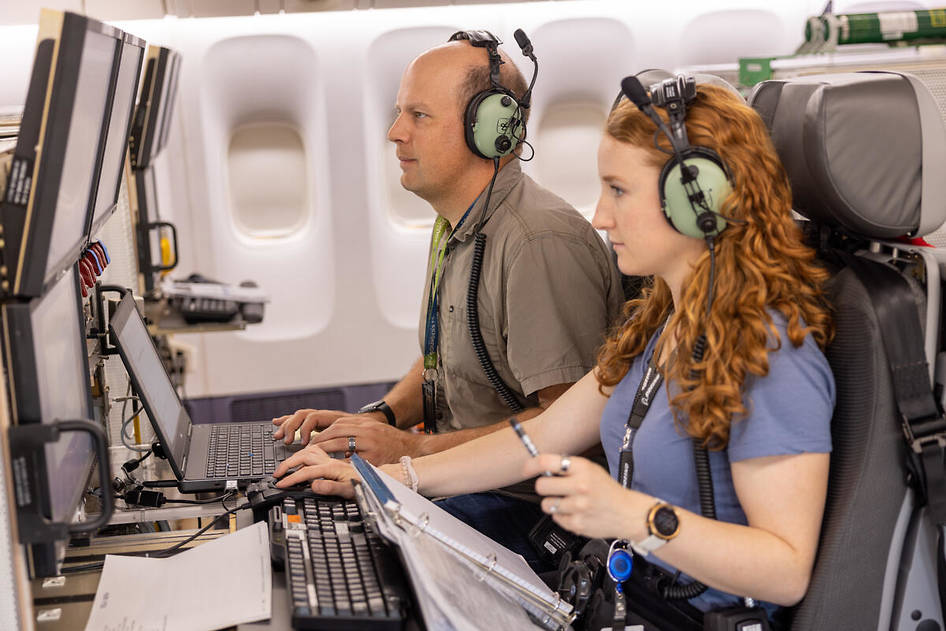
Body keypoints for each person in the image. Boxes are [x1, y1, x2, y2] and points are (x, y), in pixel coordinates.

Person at [274, 74, 836, 626]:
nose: (599, 216)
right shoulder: (663, 323)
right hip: (623, 599)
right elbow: (538, 437)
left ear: (698, 199)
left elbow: (785, 570)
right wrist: (393, 481)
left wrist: (629, 513)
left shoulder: (773, 354)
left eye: (618, 190)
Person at [272, 33, 623, 569]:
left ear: (490, 129)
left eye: (418, 115)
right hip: (460, 473)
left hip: (530, 507)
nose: (395, 133)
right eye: (398, 113)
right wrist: (379, 419)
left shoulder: (536, 243)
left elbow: (567, 430)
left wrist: (411, 453)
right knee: (302, 518)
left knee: (356, 561)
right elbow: (444, 361)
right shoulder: (456, 225)